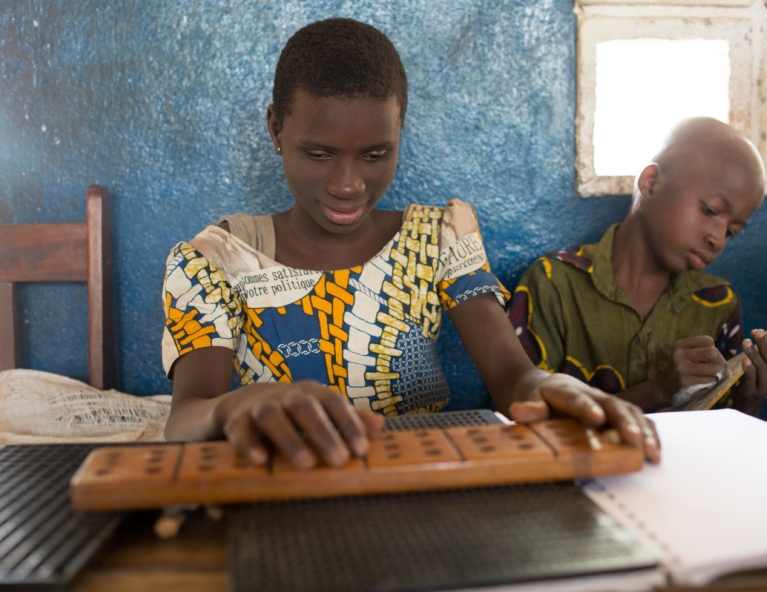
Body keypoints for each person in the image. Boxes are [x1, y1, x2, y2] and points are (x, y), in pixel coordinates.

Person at [161, 17, 660, 469]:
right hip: (282, 488)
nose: (348, 184)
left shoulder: (437, 239)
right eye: (319, 153)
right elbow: (184, 421)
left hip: (413, 484)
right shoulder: (217, 260)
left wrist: (550, 385)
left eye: (375, 153)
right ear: (275, 129)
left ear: (400, 130)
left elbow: (512, 378)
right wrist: (236, 405)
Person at [508, 117, 767, 416]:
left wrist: (751, 398)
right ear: (651, 183)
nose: (717, 239)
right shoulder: (554, 282)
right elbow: (531, 417)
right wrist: (660, 390)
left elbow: (722, 434)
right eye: (710, 210)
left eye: (732, 231)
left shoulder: (717, 303)